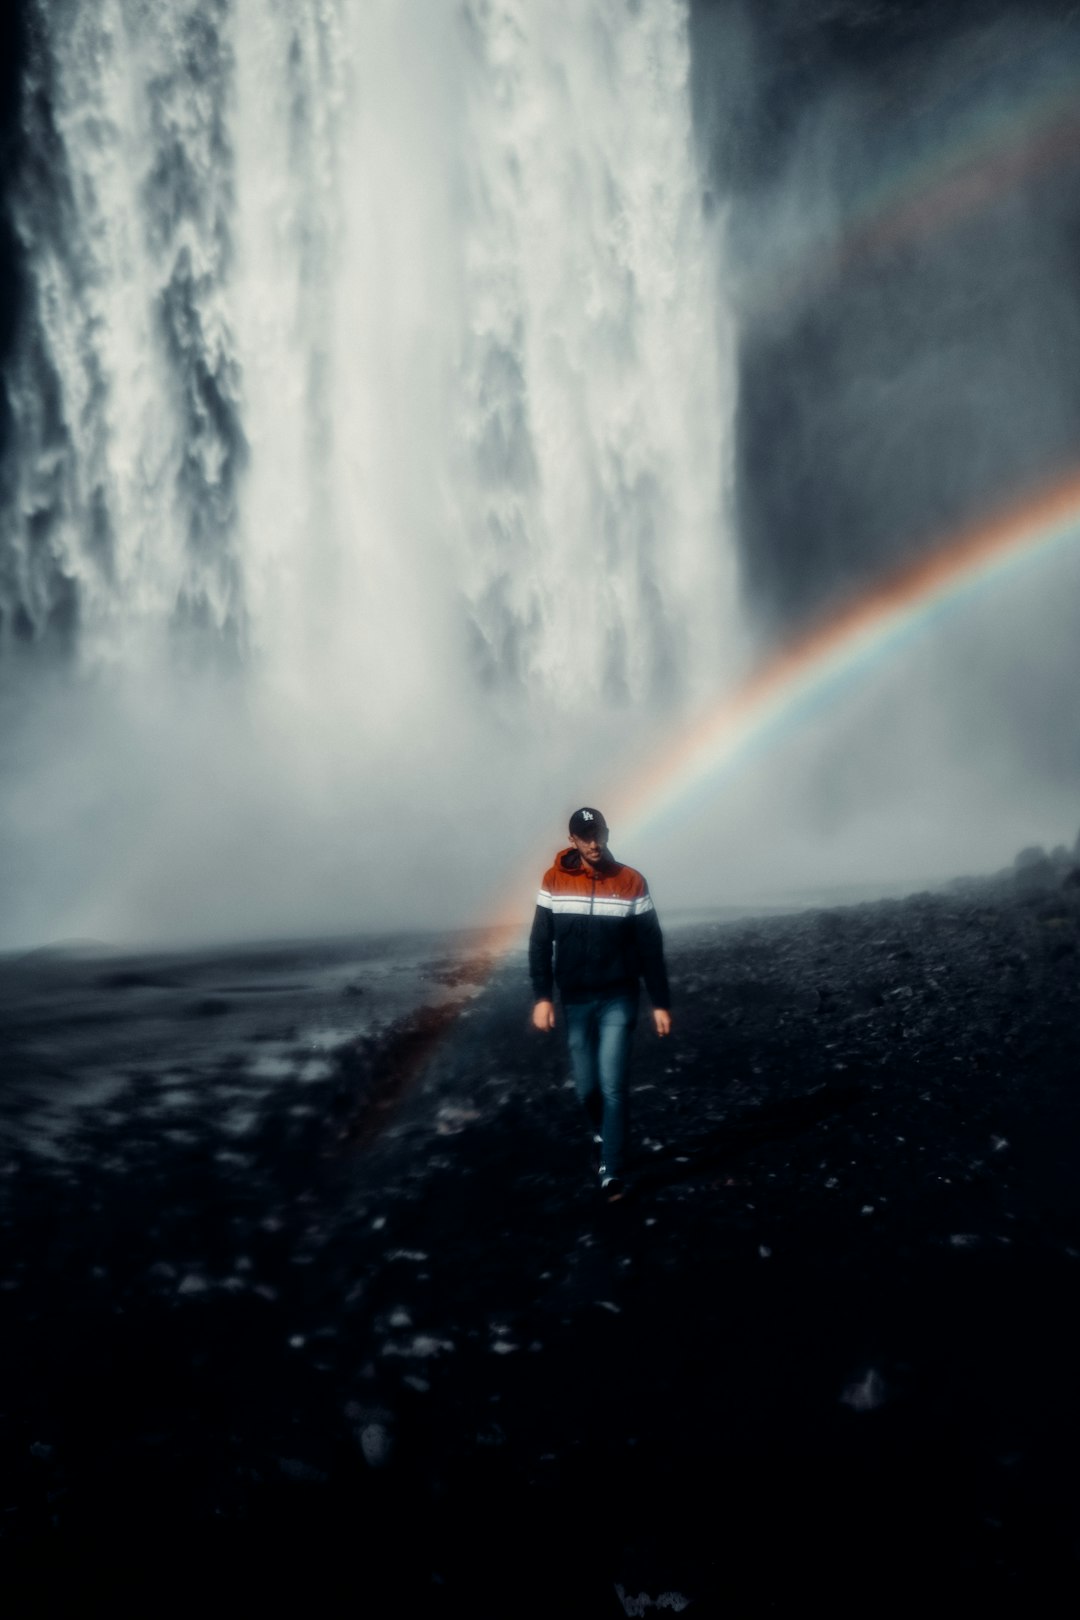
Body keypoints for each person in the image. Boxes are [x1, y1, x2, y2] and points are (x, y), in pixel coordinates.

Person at [529, 806, 672, 1199]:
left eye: (599, 835)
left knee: (613, 1086)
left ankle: (612, 1168)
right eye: (585, 836)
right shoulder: (553, 881)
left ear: (607, 835)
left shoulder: (630, 882)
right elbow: (540, 943)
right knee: (586, 1089)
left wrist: (659, 1002)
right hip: (575, 1000)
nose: (593, 843)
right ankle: (602, 1130)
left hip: (618, 998)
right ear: (572, 840)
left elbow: (650, 947)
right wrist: (543, 998)